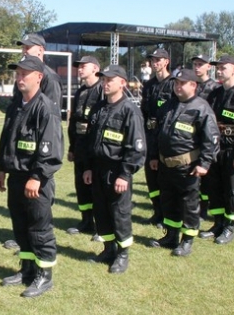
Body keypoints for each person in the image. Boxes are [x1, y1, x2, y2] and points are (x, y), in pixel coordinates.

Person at [0, 55, 63, 297]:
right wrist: (2, 168)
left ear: (39, 77)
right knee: (20, 225)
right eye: (18, 73)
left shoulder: (45, 108)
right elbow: (7, 139)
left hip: (36, 180)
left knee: (39, 227)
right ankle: (27, 269)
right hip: (15, 176)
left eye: (25, 73)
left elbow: (50, 148)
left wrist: (37, 176)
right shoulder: (16, 106)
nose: (20, 78)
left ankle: (44, 275)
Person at [148, 69, 220, 256]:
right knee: (168, 200)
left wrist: (204, 163)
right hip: (166, 165)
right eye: (176, 83)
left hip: (188, 166)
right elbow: (157, 133)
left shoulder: (201, 108)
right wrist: (154, 156)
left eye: (182, 83)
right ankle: (171, 235)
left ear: (193, 85)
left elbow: (211, 138)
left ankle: (187, 240)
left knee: (189, 204)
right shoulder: (168, 105)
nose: (177, 86)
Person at [82, 65, 145, 272]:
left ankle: (123, 253)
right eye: (104, 79)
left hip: (117, 171)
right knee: (101, 211)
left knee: (119, 212)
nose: (105, 83)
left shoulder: (130, 110)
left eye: (110, 80)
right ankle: (108, 249)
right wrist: (88, 167)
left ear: (122, 83)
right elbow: (90, 140)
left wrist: (125, 175)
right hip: (98, 169)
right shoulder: (98, 108)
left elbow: (136, 147)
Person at [4, 33, 62, 251]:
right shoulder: (21, 77)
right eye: (23, 47)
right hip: (20, 157)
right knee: (21, 215)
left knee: (39, 214)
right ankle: (27, 257)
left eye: (29, 47)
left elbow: (50, 120)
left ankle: (40, 258)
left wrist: (39, 174)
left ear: (41, 50)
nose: (25, 50)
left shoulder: (49, 78)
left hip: (39, 154)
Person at [199, 55, 234, 245]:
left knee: (233, 189)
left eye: (224, 67)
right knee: (214, 187)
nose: (219, 70)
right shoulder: (215, 93)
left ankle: (230, 226)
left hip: (233, 149)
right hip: (216, 148)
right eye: (218, 67)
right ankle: (218, 223)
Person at [66, 55, 103, 238]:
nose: (79, 69)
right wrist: (72, 147)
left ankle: (101, 226)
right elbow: (73, 120)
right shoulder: (80, 91)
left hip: (94, 146)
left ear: (95, 68)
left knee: (96, 187)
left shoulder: (102, 90)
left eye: (83, 66)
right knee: (81, 185)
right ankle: (86, 221)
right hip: (80, 146)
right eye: (78, 67)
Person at [140, 48, 175, 227]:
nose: (155, 63)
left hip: (165, 135)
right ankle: (157, 212)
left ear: (166, 62)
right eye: (153, 60)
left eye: (158, 60)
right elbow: (143, 112)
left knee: (165, 178)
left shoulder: (173, 84)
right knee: (151, 177)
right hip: (150, 135)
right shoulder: (149, 85)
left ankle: (167, 214)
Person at [192, 53, 219, 220]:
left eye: (200, 64)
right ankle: (195, 207)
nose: (197, 67)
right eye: (195, 64)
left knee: (208, 177)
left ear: (209, 66)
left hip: (207, 135)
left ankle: (204, 208)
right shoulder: (191, 85)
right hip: (192, 136)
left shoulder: (215, 88)